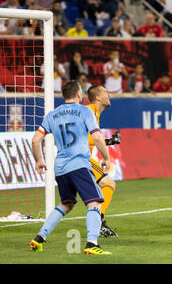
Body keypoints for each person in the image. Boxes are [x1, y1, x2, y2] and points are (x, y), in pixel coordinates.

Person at [29, 80, 112, 255]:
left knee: (67, 203)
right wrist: (106, 157)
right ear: (78, 94)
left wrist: (39, 160)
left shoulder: (52, 115)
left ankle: (39, 238)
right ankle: (91, 244)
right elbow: (97, 138)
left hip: (60, 168)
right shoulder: (86, 111)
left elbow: (36, 140)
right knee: (95, 203)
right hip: (79, 165)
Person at [86, 85, 121, 237]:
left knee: (69, 201)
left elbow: (91, 139)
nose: (109, 95)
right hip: (81, 158)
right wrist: (106, 147)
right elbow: (89, 138)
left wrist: (108, 141)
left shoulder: (92, 112)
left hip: (81, 157)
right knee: (108, 184)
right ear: (98, 97)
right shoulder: (90, 112)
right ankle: (99, 222)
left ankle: (98, 222)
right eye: (105, 92)